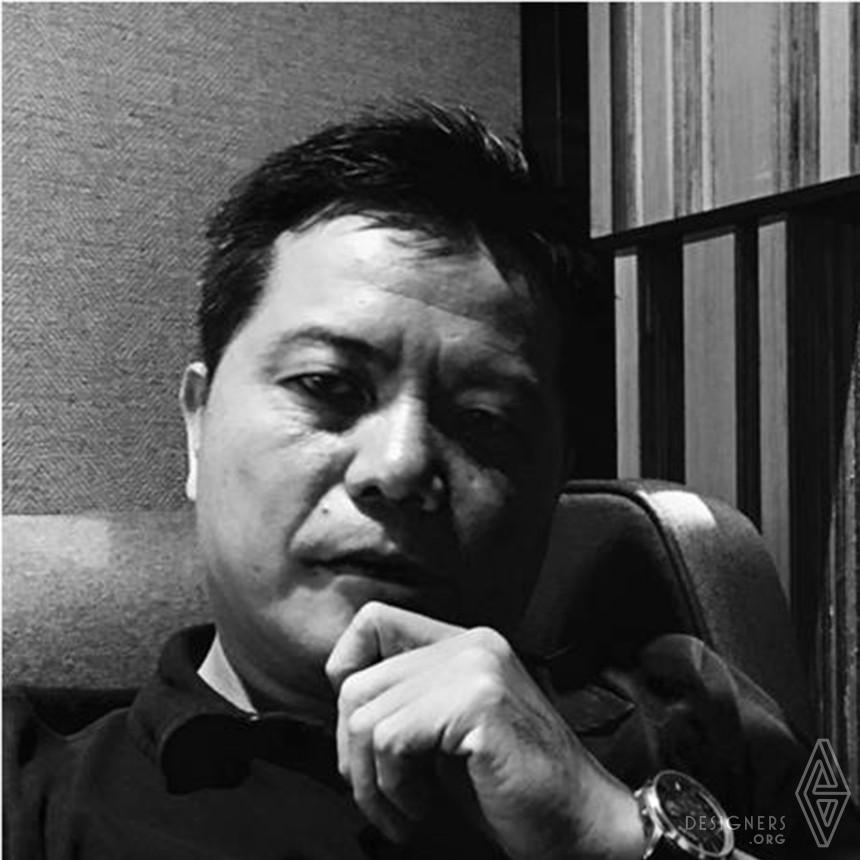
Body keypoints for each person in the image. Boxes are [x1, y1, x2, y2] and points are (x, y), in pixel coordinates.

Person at [3, 103, 856, 860]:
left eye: (484, 420)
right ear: (197, 425)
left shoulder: (696, 711)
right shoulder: (29, 793)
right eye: (327, 386)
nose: (402, 465)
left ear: (554, 482)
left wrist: (613, 835)